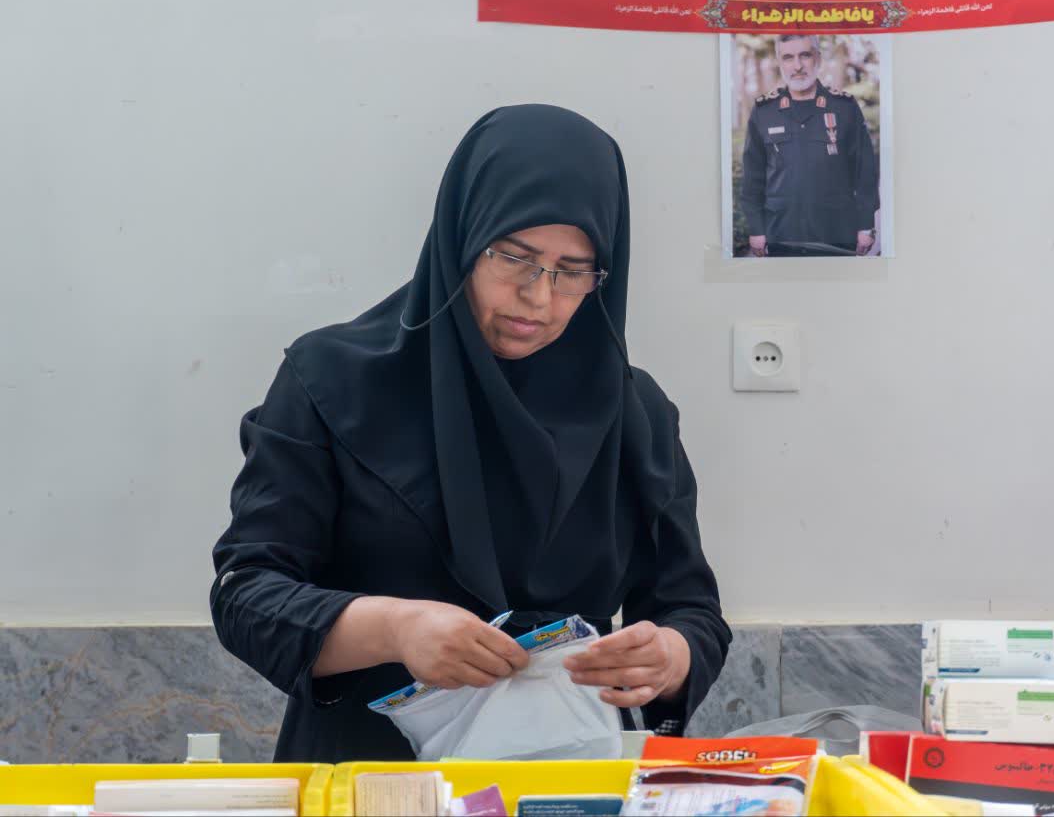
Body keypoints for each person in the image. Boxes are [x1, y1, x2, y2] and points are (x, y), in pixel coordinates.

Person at [210, 105, 731, 762]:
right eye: (514, 257)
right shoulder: (331, 382)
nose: (538, 297)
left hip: (564, 780)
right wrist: (396, 628)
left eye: (572, 271)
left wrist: (669, 656)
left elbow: (692, 612)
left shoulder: (635, 413)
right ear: (463, 236)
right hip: (373, 779)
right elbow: (248, 594)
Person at [740, 35, 880, 257]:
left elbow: (865, 172)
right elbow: (752, 177)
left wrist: (865, 225)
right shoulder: (764, 111)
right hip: (781, 233)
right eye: (788, 57)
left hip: (837, 233)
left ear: (818, 59)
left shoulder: (844, 108)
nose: (797, 66)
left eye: (805, 55)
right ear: (779, 62)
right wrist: (756, 228)